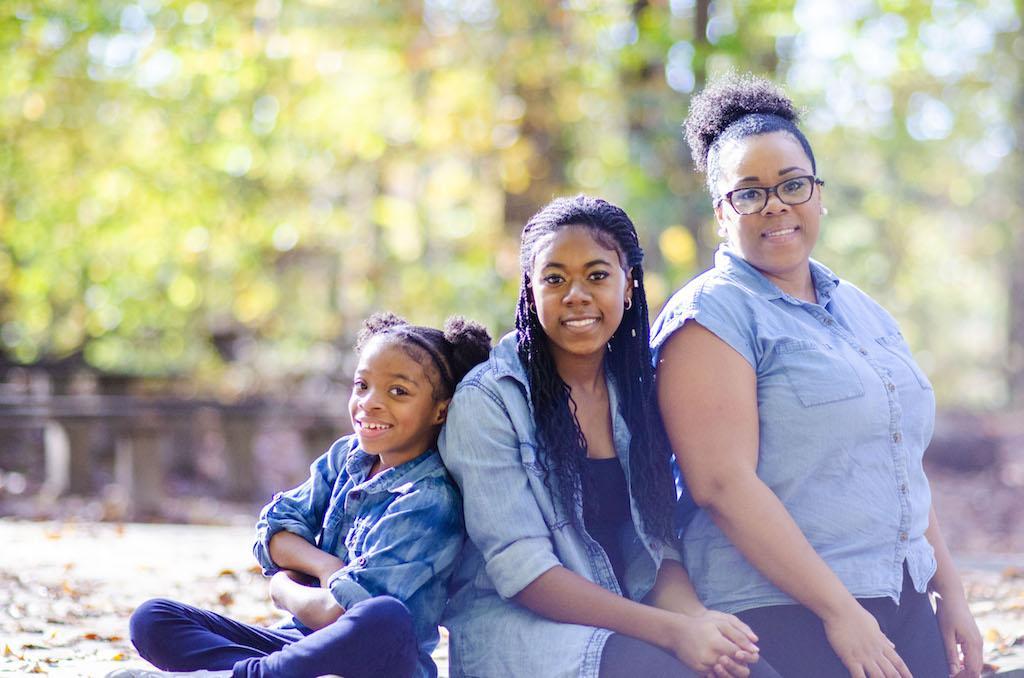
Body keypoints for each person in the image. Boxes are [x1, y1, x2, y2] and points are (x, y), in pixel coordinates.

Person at [651, 73, 983, 678]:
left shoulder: (860, 307)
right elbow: (721, 486)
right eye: (748, 193)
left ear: (818, 193)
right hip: (781, 612)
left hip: (901, 597)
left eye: (792, 184)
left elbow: (898, 457)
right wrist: (839, 612)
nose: (775, 204)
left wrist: (950, 592)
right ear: (722, 212)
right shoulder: (711, 317)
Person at [439, 195, 779, 678]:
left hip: (624, 621)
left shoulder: (636, 393)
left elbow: (654, 547)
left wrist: (698, 620)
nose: (575, 294)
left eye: (597, 275)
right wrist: (673, 633)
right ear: (530, 291)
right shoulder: (489, 401)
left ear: (628, 286)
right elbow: (526, 575)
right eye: (554, 279)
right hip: (520, 633)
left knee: (750, 671)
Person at [110, 313, 491, 678]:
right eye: (362, 385)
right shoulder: (347, 456)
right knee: (153, 619)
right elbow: (274, 530)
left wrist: (281, 588)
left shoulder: (429, 499)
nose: (371, 402)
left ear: (440, 411)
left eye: (398, 391)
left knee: (384, 618)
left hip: (372, 663)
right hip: (293, 646)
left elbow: (337, 613)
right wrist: (325, 567)